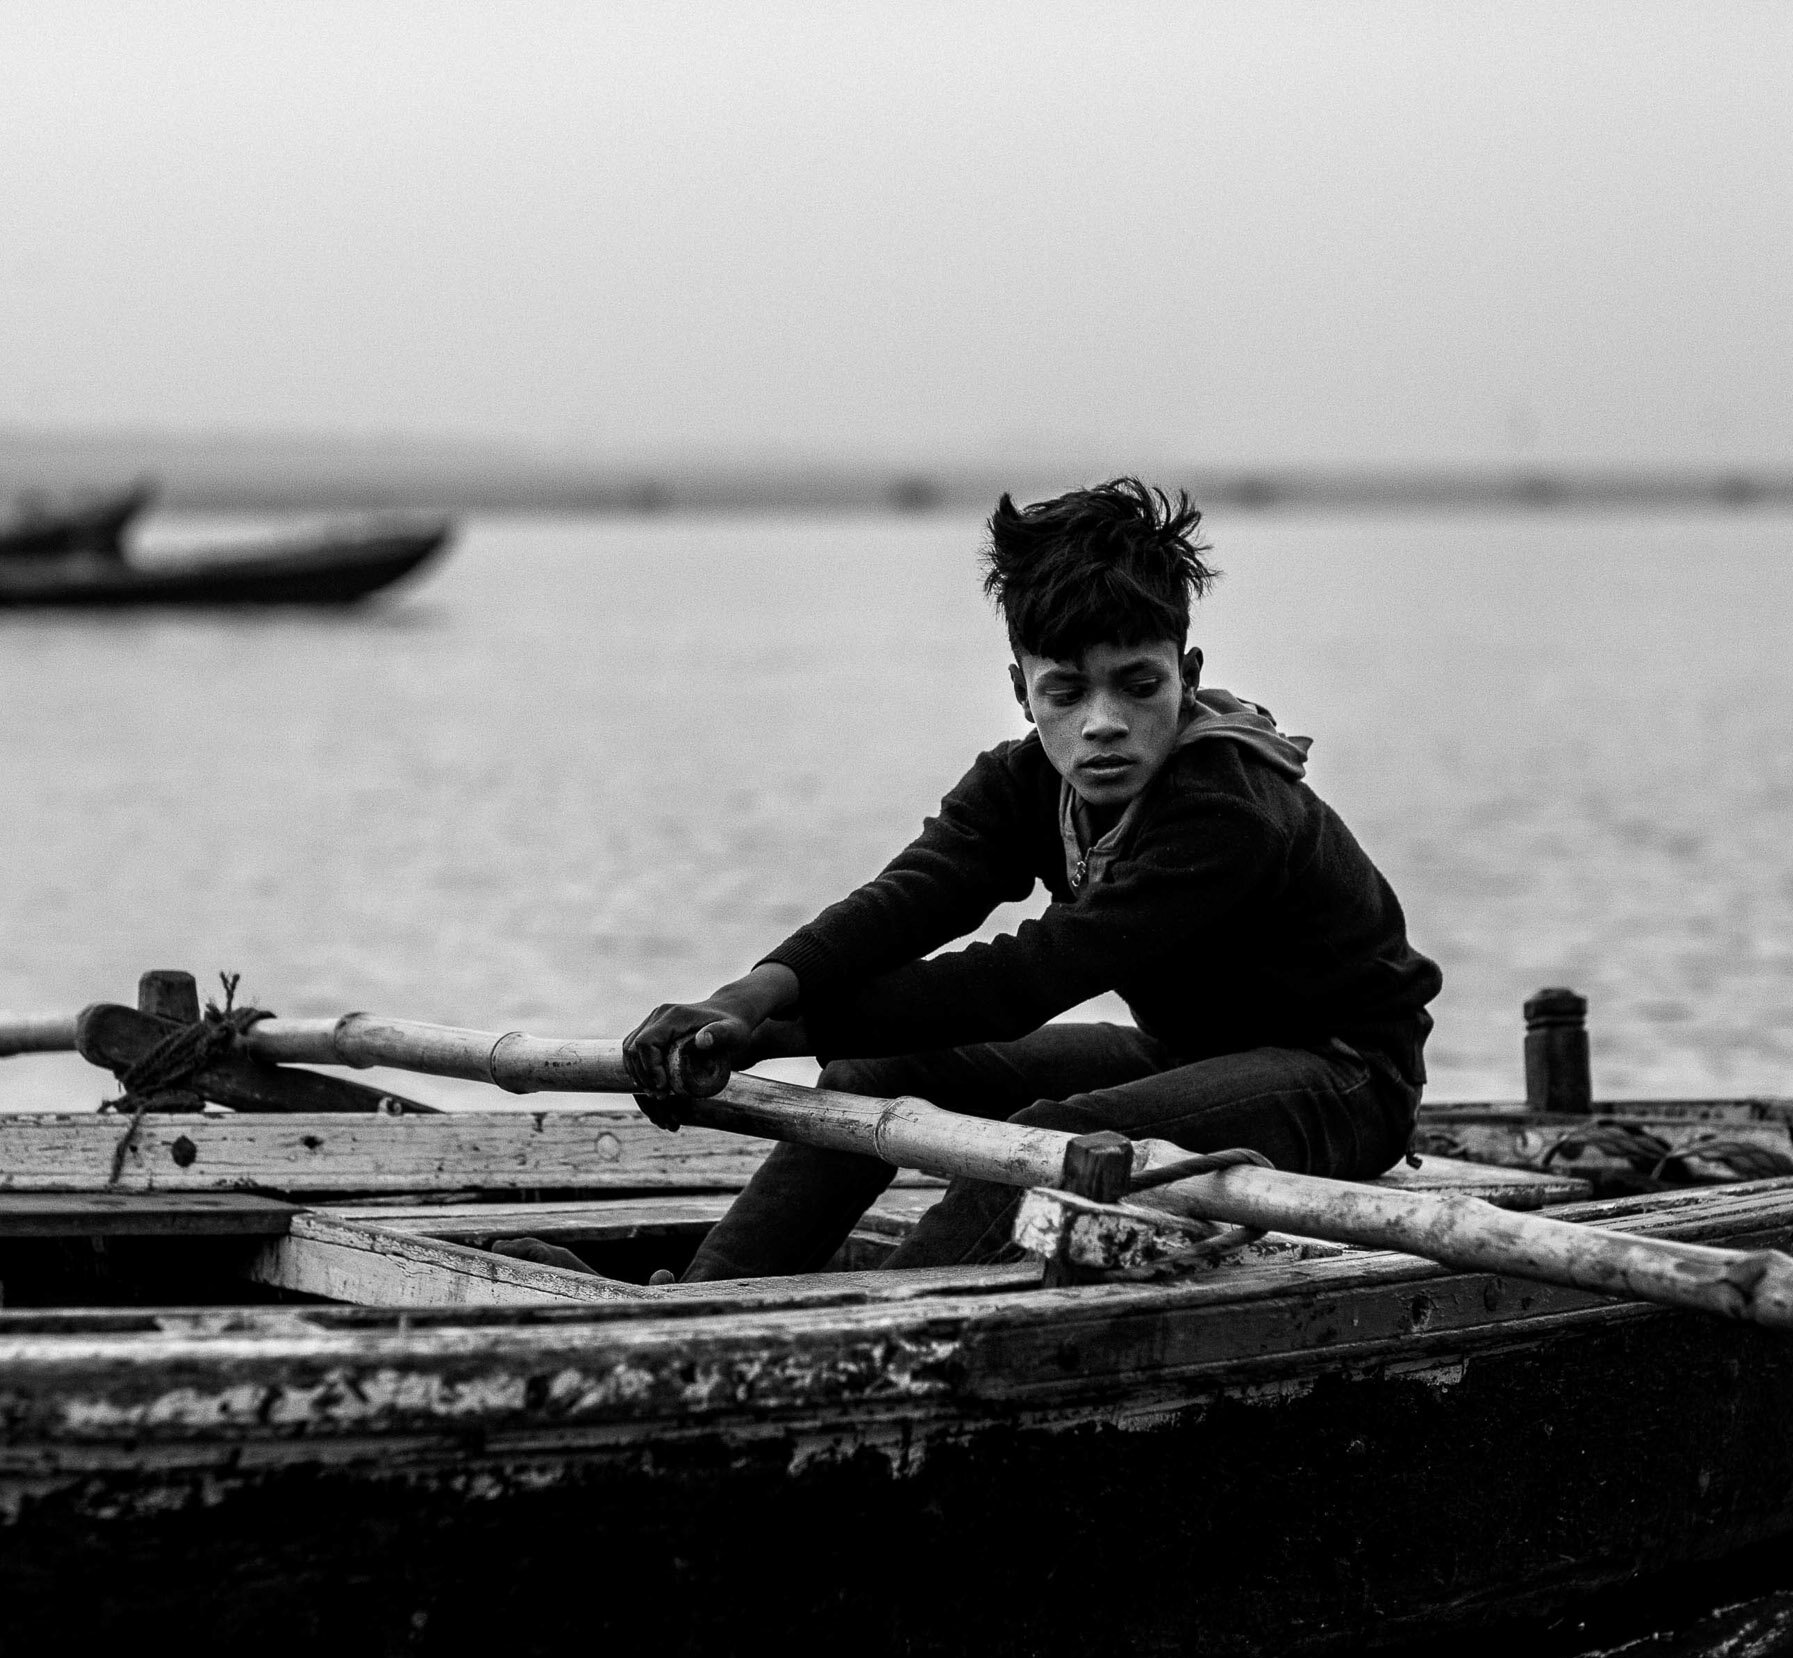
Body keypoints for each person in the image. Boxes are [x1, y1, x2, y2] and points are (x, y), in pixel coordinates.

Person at [616, 478, 1443, 1281]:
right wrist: (749, 997)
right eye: (1066, 690)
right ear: (1022, 690)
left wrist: (779, 1031)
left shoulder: (1228, 807)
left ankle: (886, 1314)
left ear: (1186, 674)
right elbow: (912, 896)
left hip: (1346, 1075)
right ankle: (701, 1295)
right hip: (1186, 1051)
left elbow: (1030, 975)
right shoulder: (1024, 784)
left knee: (1056, 1141)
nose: (1104, 722)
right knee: (869, 1074)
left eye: (1139, 683)